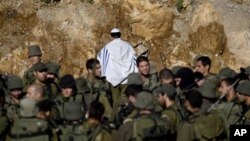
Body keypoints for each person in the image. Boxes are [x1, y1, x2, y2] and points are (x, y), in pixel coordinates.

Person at [97, 28, 138, 120]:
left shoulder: (107, 47)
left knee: (116, 101)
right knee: (127, 100)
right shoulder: (128, 46)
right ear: (120, 34)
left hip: (113, 79)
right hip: (127, 78)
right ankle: (126, 118)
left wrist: (103, 75)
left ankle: (115, 119)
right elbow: (135, 59)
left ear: (111, 35)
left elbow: (101, 60)